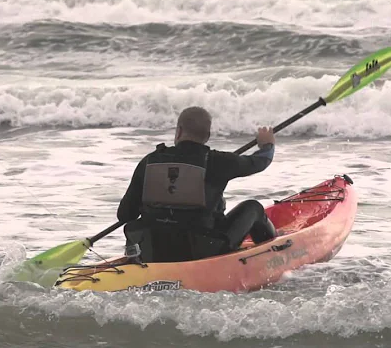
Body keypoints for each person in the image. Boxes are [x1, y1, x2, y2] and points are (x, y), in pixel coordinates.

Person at [117, 106, 277, 263]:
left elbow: (125, 215)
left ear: (178, 131)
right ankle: (275, 250)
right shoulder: (219, 161)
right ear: (207, 136)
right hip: (203, 251)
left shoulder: (150, 161)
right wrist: (267, 145)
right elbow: (260, 161)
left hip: (152, 250)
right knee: (253, 207)